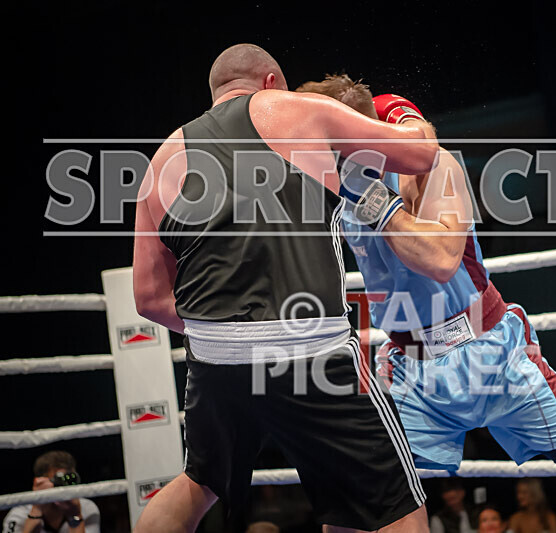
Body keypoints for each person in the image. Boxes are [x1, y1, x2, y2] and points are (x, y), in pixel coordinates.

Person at [297, 74, 556, 533]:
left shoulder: (430, 168)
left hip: (493, 355)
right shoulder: (331, 187)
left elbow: (441, 260)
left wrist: (375, 199)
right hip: (411, 369)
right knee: (352, 509)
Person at [132, 44, 441, 532]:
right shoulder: (298, 108)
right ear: (272, 81)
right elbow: (421, 154)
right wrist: (402, 112)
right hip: (310, 350)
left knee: (198, 482)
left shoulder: (162, 159)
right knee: (398, 506)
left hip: (214, 361)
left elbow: (149, 299)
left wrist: (228, 332)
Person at [2, 451, 100, 533]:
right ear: (39, 483)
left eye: (69, 480)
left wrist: (75, 516)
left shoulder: (87, 508)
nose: (64, 487)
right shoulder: (20, 513)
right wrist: (36, 510)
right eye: (58, 480)